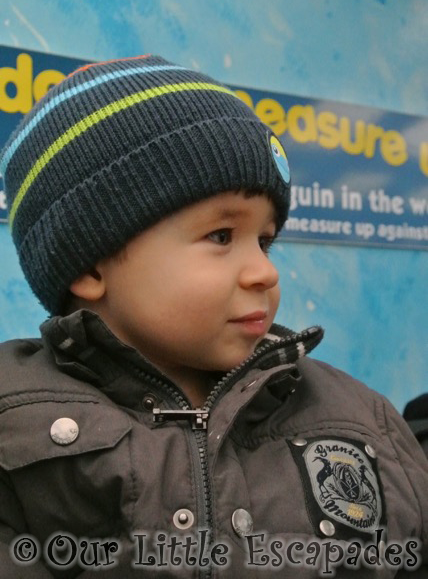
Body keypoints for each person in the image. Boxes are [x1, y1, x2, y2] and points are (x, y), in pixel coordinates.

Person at [0, 55, 427, 579]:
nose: (264, 273)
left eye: (265, 242)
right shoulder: (13, 424)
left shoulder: (364, 420)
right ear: (91, 265)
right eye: (221, 236)